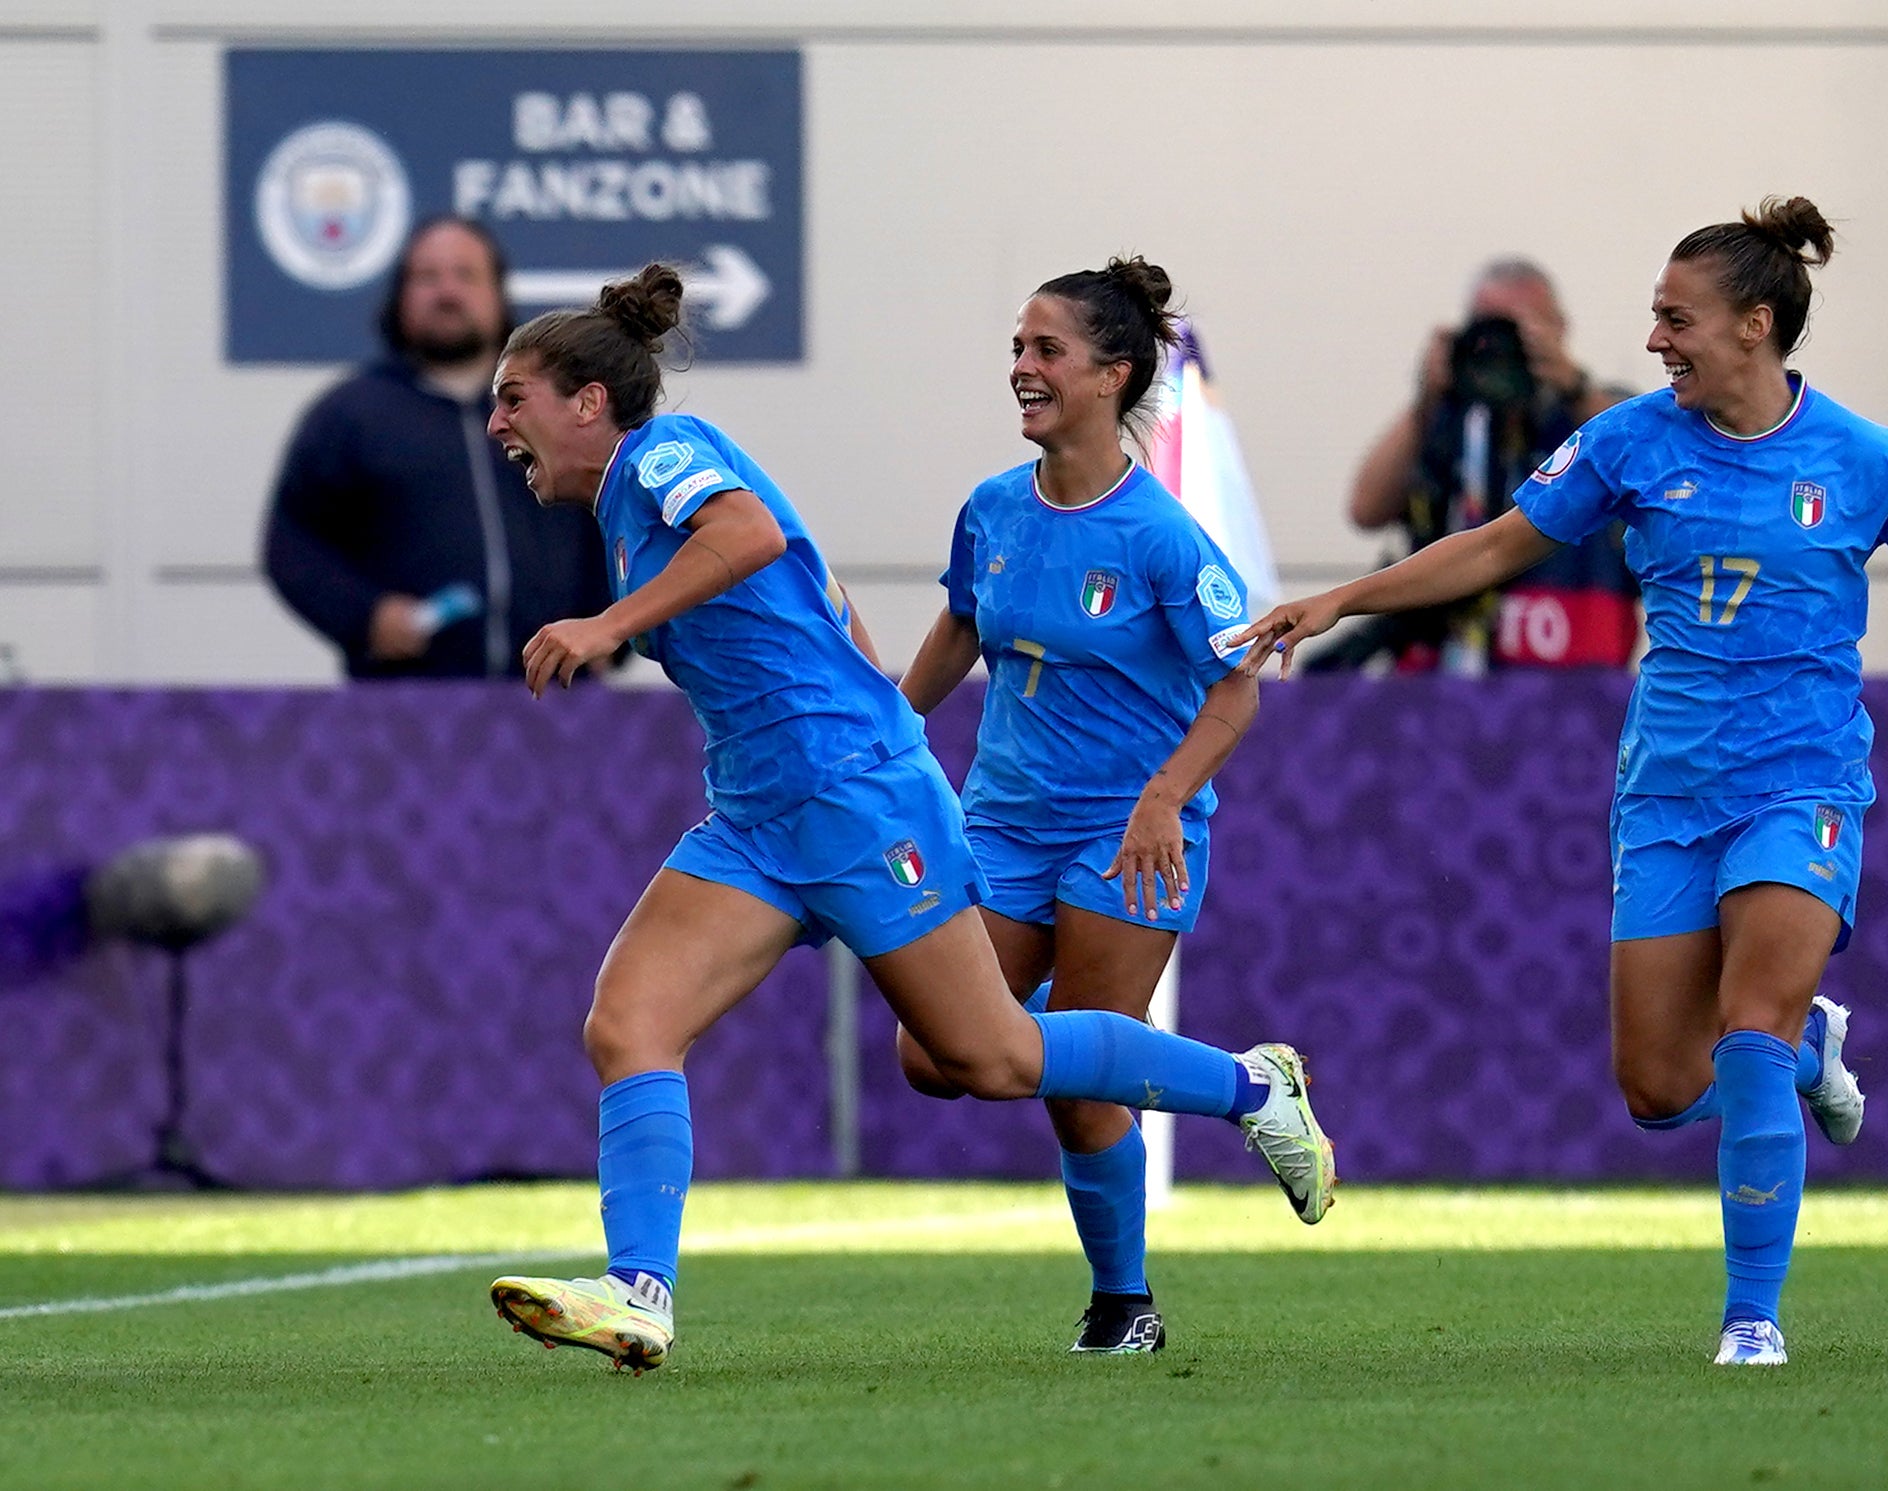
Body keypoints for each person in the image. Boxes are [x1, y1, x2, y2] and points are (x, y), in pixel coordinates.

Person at [1237, 197, 1888, 1367]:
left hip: (1801, 782)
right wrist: (1340, 598)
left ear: (1754, 327)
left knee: (1750, 1032)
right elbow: (1488, 547)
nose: (1655, 341)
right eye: (1653, 319)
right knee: (1658, 1087)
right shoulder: (1628, 442)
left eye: (1676, 319)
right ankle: (1814, 1056)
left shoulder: (1864, 460)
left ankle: (1751, 1319)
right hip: (1666, 792)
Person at [480, 263, 1336, 1374]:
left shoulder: (662, 458)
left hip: (852, 794)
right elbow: (872, 608)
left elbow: (745, 536)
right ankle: (639, 1292)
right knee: (628, 1025)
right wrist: (890, 705)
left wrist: (608, 626)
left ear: (589, 402)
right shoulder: (649, 505)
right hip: (761, 812)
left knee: (990, 1057)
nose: (498, 420)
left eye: (514, 397)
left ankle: (1250, 1090)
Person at [894, 257, 1266, 1354]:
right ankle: (1246, 1086)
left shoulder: (1160, 536)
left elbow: (1236, 683)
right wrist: (884, 730)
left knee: (1075, 1084)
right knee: (941, 1055)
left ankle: (1123, 1304)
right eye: (1018, 348)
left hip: (1128, 832)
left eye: (1045, 351)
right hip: (1001, 822)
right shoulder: (992, 508)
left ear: (1112, 375)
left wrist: (1163, 799)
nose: (1021, 369)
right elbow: (962, 627)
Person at [262, 215, 613, 679]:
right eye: (428, 277)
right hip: (401, 712)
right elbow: (292, 544)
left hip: (558, 705)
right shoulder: (349, 417)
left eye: (466, 275)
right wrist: (365, 617)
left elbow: (614, 518)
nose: (447, 292)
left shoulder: (559, 410)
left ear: (498, 294)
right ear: (400, 296)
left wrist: (611, 629)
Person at [1318, 259, 1635, 673]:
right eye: (1488, 327)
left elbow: (1645, 460)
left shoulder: (1594, 416)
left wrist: (1570, 382)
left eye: (1520, 328)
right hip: (1447, 683)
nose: (1503, 345)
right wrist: (1427, 401)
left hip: (1574, 690)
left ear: (1559, 328)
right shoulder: (1451, 426)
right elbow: (1366, 509)